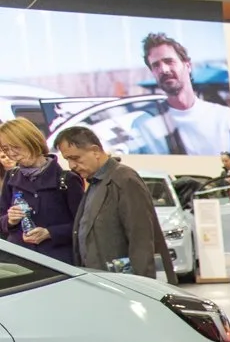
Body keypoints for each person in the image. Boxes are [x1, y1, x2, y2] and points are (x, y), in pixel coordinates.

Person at [55, 126, 174, 280]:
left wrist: (144, 286)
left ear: (95, 151)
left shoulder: (124, 180)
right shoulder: (96, 183)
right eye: (67, 160)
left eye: (75, 158)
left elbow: (141, 239)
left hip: (126, 284)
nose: (71, 166)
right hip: (102, 281)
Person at [1, 118, 84, 265]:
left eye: (16, 147)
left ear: (31, 141)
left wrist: (50, 233)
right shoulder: (11, 176)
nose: (12, 154)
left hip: (56, 264)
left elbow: (83, 226)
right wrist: (10, 220)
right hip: (18, 261)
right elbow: (1, 219)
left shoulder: (67, 180)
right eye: (6, 149)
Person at [143, 32, 230, 156]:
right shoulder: (144, 125)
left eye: (169, 61)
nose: (164, 70)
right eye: (156, 65)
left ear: (187, 65)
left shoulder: (225, 118)